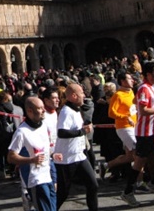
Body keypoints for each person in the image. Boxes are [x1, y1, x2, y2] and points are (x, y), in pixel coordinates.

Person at [122, 62, 154, 206]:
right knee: (139, 163)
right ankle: (128, 192)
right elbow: (143, 111)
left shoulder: (153, 88)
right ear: (148, 74)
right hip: (145, 132)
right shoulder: (144, 88)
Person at [8, 97, 61, 211]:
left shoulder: (43, 125)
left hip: (48, 176)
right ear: (30, 111)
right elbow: (11, 157)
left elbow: (44, 151)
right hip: (35, 180)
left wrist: (53, 156)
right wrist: (31, 160)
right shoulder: (22, 132)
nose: (43, 110)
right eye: (40, 108)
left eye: (43, 107)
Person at [54, 83, 98, 211]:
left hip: (79, 155)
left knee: (93, 185)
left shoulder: (76, 109)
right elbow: (62, 132)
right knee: (63, 192)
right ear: (73, 96)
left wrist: (84, 128)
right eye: (81, 93)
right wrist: (82, 131)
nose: (84, 95)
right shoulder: (66, 111)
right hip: (66, 159)